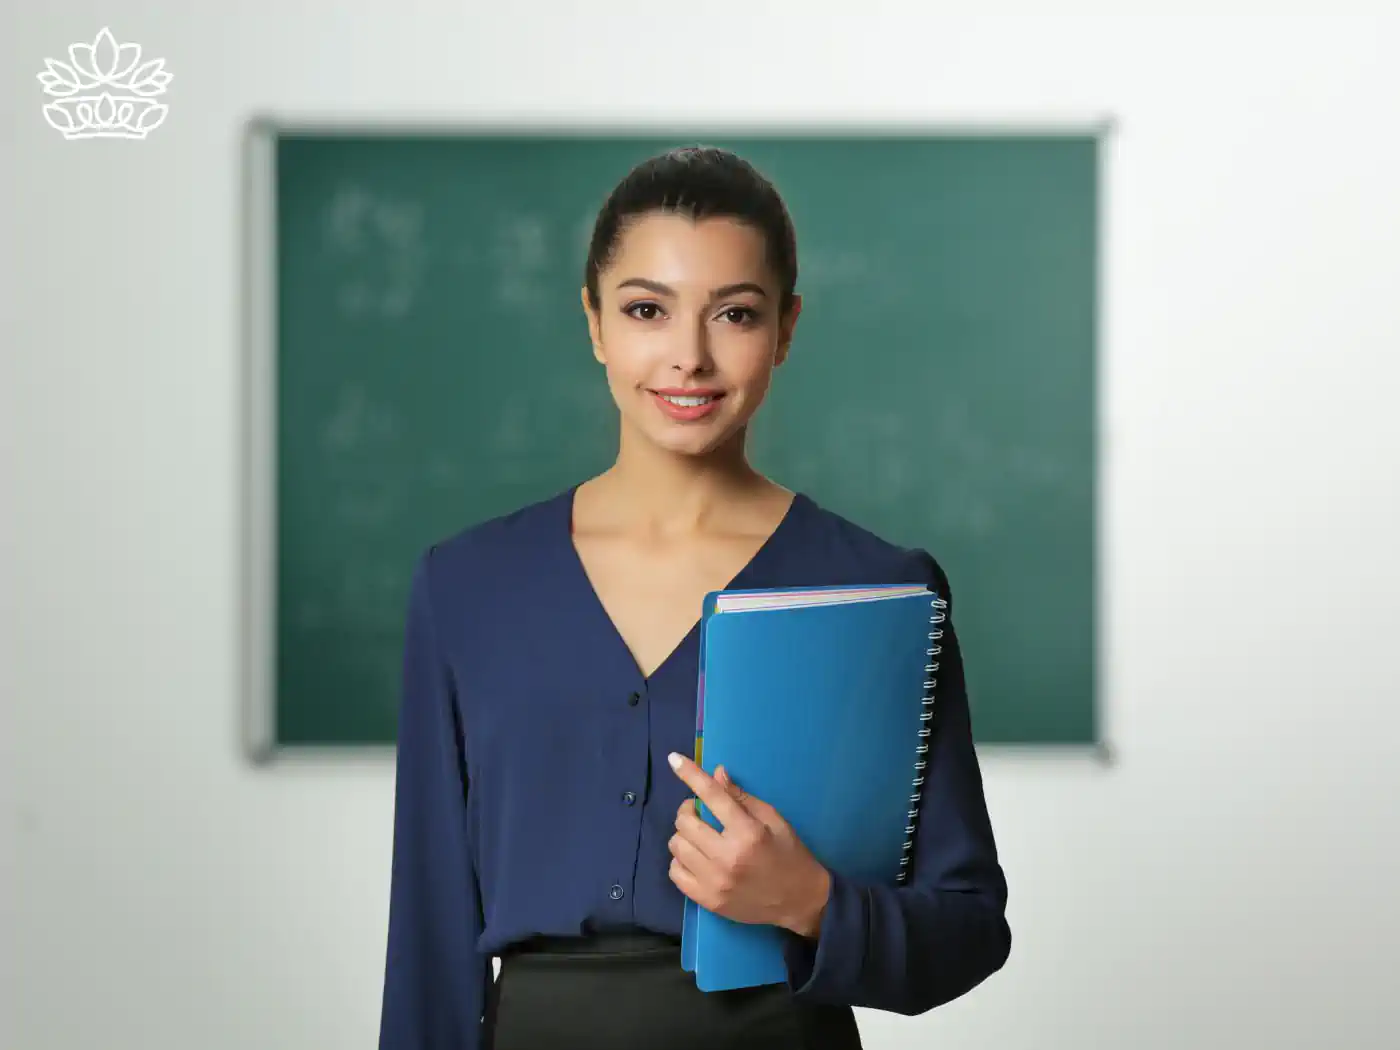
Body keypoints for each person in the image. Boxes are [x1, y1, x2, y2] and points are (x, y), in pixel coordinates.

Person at [376, 146, 1011, 1050]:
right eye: (646, 310)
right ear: (594, 323)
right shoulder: (467, 586)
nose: (689, 357)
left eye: (736, 315)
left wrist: (811, 903)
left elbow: (967, 928)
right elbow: (430, 936)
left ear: (787, 329)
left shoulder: (883, 589)